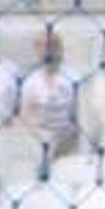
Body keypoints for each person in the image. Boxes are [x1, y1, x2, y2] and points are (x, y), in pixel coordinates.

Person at [17, 32, 80, 160]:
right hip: (39, 142)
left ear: (60, 49)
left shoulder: (74, 78)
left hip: (68, 143)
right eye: (42, 47)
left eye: (52, 46)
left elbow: (80, 115)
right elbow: (24, 116)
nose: (47, 52)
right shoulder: (30, 81)